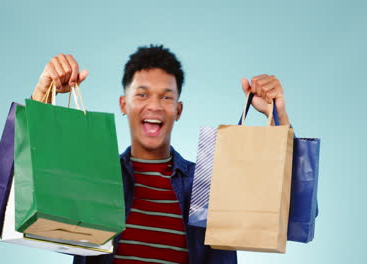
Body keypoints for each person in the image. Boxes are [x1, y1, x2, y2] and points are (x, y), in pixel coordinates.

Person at [31, 45, 290, 264]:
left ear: (178, 110)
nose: (154, 105)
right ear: (124, 104)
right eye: (142, 94)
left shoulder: (207, 186)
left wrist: (277, 118)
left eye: (166, 98)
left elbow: (285, 214)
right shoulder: (95, 179)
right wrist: (42, 95)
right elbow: (31, 187)